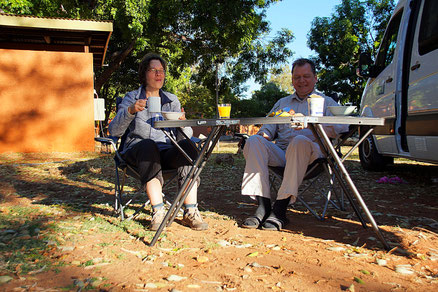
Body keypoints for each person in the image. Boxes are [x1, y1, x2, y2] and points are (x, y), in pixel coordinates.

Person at [241, 58, 348, 231]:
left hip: (312, 156)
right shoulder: (283, 103)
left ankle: (280, 209)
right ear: (292, 80)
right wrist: (263, 136)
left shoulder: (326, 102)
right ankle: (263, 205)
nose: (301, 81)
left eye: (306, 76)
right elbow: (268, 129)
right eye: (297, 77)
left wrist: (314, 125)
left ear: (315, 78)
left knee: (299, 141)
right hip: (283, 154)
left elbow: (343, 127)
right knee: (254, 141)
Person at [109, 53, 208, 231]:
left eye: (161, 70)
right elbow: (114, 130)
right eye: (153, 70)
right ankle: (158, 211)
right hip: (139, 152)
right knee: (148, 145)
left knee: (187, 147)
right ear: (144, 74)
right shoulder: (132, 97)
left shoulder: (171, 100)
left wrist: (182, 124)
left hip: (166, 150)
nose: (158, 74)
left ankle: (190, 211)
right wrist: (130, 111)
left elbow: (183, 135)